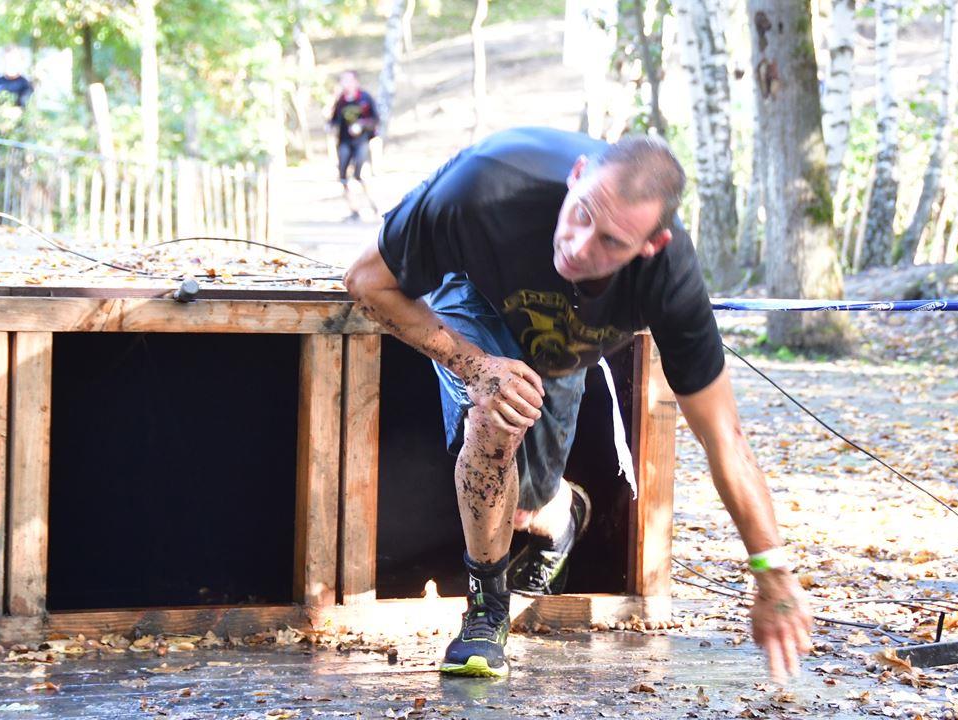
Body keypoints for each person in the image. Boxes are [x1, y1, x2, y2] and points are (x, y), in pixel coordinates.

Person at [343, 127, 812, 682]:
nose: (580, 246)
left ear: (650, 246)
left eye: (612, 242)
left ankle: (559, 512)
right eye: (582, 213)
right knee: (495, 417)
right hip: (475, 292)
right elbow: (365, 280)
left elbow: (724, 437)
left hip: (566, 345)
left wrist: (773, 575)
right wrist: (476, 367)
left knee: (527, 499)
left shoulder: (669, 279)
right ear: (578, 174)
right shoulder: (484, 186)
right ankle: (487, 611)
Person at [328, 70, 380, 221]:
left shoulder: (365, 98)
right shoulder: (341, 101)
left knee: (360, 174)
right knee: (343, 176)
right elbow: (334, 120)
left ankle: (374, 206)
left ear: (356, 82)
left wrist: (361, 125)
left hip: (361, 142)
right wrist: (330, 126)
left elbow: (375, 120)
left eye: (348, 80)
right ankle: (354, 210)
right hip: (344, 142)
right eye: (343, 80)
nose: (345, 84)